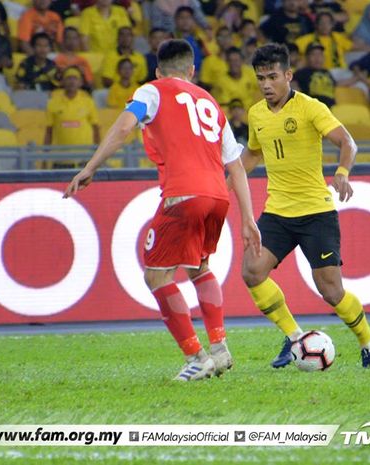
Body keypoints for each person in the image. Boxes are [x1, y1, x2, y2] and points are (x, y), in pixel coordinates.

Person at [64, 39, 261, 382]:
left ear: (158, 71)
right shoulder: (213, 103)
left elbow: (125, 126)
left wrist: (90, 167)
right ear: (192, 70)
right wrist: (248, 218)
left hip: (183, 194)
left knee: (156, 275)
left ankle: (196, 357)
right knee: (199, 268)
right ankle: (219, 348)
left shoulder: (151, 92)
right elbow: (237, 167)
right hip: (218, 196)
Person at [237, 43, 370, 369]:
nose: (266, 84)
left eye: (272, 77)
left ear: (288, 75)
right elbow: (253, 153)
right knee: (252, 271)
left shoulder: (310, 108)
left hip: (316, 212)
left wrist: (342, 172)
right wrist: (227, 178)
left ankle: (369, 344)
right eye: (260, 78)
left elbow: (347, 141)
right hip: (278, 212)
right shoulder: (256, 113)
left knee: (331, 291)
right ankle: (293, 338)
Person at [45, 67, 99, 158]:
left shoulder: (88, 102)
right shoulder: (53, 103)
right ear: (62, 82)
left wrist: (98, 154)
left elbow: (96, 129)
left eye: (75, 78)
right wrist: (45, 157)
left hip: (84, 158)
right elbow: (48, 131)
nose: (72, 81)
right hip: (60, 159)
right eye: (68, 78)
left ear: (80, 83)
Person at [292, 43, 338, 107]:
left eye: (320, 54)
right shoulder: (301, 73)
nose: (317, 58)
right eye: (313, 54)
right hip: (313, 107)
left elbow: (336, 85)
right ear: (307, 58)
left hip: (331, 108)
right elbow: (292, 88)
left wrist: (356, 77)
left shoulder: (327, 72)